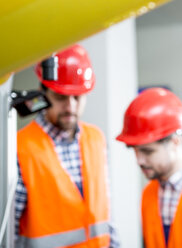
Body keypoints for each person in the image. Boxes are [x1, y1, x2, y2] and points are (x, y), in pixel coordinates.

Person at [15, 44, 119, 248]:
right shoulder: (20, 147)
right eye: (61, 97)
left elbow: (106, 212)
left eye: (77, 97)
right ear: (42, 94)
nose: (70, 106)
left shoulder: (95, 138)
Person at [116, 87, 182, 248]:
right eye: (135, 151)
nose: (139, 161)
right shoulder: (148, 194)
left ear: (175, 142)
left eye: (147, 151)